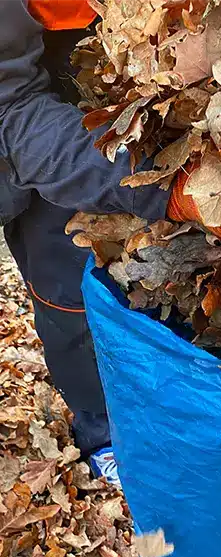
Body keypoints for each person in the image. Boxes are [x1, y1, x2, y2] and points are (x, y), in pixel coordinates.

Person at [0, 0, 169, 486]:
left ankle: (162, 403)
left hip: (138, 64)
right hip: (35, 90)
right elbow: (13, 115)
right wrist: (164, 186)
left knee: (160, 279)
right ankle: (100, 429)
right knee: (68, 297)